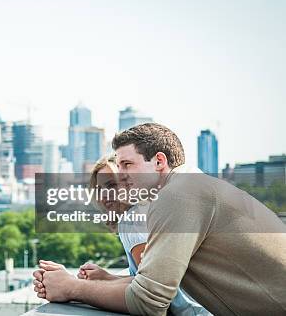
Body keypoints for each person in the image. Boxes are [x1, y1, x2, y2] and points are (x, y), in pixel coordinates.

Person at [33, 123, 286, 315]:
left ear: (159, 161)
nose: (121, 176)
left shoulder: (178, 195)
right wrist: (108, 280)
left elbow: (149, 301)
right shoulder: (194, 185)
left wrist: (70, 288)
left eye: (127, 164)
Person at [77, 155, 210, 316]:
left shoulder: (132, 220)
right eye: (99, 189)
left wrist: (72, 287)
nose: (104, 195)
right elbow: (152, 277)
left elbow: (150, 287)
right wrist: (107, 277)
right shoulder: (149, 210)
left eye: (111, 185)